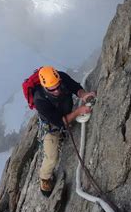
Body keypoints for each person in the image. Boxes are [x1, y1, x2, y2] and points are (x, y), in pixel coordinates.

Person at [33, 66, 96, 196]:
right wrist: (79, 111)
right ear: (44, 87)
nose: (56, 90)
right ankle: (44, 178)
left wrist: (84, 95)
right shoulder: (40, 100)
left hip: (65, 112)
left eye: (57, 86)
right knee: (51, 157)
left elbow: (74, 87)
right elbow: (60, 122)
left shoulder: (61, 77)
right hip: (52, 127)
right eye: (52, 89)